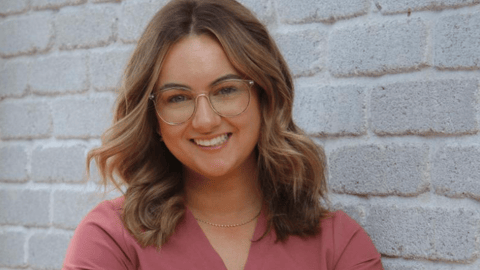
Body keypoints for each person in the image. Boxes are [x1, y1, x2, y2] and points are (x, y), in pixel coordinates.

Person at [63, 0, 383, 269]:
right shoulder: (109, 240)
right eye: (178, 97)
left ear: (265, 97)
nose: (205, 121)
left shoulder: (339, 245)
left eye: (226, 90)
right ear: (152, 116)